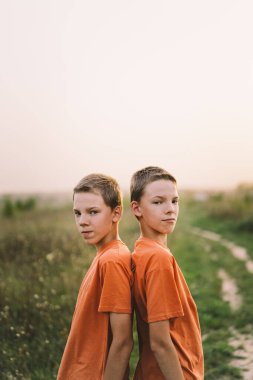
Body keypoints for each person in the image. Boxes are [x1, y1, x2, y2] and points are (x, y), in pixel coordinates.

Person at [130, 166, 204, 380]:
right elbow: (161, 343)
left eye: (174, 201)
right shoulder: (158, 259)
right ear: (137, 209)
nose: (170, 209)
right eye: (158, 201)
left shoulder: (142, 251)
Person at [57, 174, 133, 380]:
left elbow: (123, 341)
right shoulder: (104, 256)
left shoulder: (112, 261)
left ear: (116, 213)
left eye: (93, 212)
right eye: (77, 213)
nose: (82, 221)